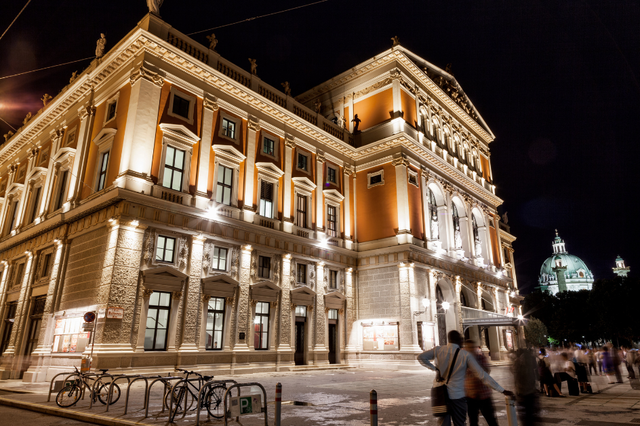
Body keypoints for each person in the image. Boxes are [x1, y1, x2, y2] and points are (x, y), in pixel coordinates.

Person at [418, 330, 513, 426]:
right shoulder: (465, 355)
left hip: (441, 394)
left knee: (443, 423)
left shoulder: (438, 350)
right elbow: (482, 375)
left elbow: (421, 357)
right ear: (459, 340)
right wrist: (502, 390)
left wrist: (435, 369)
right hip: (457, 395)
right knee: (460, 423)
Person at [464, 340, 498, 426]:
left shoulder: (481, 358)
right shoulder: (463, 361)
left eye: (472, 347)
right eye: (468, 348)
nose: (470, 350)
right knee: (473, 421)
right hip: (471, 397)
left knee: (491, 420)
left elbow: (487, 371)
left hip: (484, 395)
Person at [512, 348, 541, 426]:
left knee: (526, 418)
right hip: (530, 393)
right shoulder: (530, 361)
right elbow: (536, 376)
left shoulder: (517, 363)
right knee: (531, 417)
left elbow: (516, 379)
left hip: (522, 394)